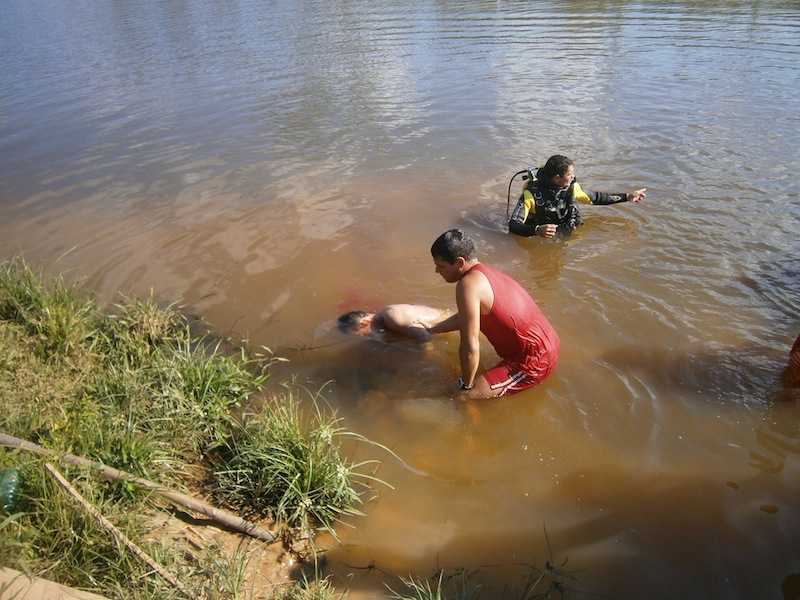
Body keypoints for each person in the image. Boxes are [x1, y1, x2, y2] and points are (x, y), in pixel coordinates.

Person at [427, 229, 560, 399]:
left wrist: (465, 385)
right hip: (548, 342)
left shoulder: (467, 285)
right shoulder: (484, 273)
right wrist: (432, 330)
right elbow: (465, 318)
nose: (437, 271)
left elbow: (469, 347)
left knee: (463, 397)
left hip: (535, 360)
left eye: (441, 266)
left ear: (460, 262)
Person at [508, 154, 647, 238]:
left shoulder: (572, 187)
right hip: (540, 232)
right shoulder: (531, 194)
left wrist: (627, 196)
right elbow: (513, 225)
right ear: (557, 178)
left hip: (565, 228)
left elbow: (596, 198)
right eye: (569, 174)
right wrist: (537, 230)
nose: (573, 176)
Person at [337, 305, 450, 341]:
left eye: (361, 334)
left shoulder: (392, 318)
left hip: (453, 328)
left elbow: (426, 337)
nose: (364, 336)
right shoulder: (384, 320)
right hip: (446, 326)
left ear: (364, 323)